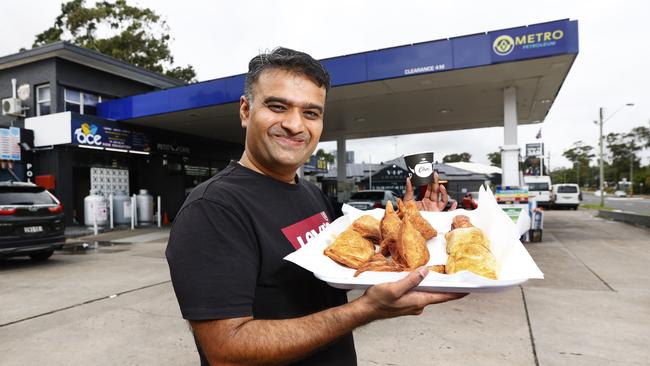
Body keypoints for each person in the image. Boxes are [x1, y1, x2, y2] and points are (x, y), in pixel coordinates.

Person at [166, 47, 466, 366]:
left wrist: (413, 220)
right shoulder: (213, 208)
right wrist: (364, 311)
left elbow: (364, 255)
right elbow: (227, 352)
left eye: (311, 113)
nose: (295, 125)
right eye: (278, 106)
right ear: (245, 110)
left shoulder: (311, 194)